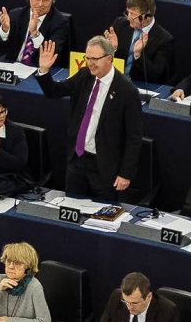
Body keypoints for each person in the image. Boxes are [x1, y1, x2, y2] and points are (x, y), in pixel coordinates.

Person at [35, 37, 143, 201]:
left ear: (109, 59)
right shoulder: (84, 75)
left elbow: (133, 137)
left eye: (95, 59)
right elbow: (54, 91)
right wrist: (44, 71)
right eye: (88, 58)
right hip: (77, 159)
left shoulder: (127, 91)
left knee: (102, 218)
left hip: (105, 166)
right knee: (72, 208)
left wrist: (125, 174)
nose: (90, 63)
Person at [0, 0, 69, 66]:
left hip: (38, 69)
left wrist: (35, 33)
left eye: (45, 0)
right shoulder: (16, 15)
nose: (40, 4)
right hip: (12, 66)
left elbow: (52, 54)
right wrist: (5, 30)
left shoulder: (60, 22)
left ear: (52, 0)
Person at [0, 242, 51, 322]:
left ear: (27, 267)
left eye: (17, 263)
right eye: (8, 261)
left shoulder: (34, 287)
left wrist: (9, 321)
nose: (11, 266)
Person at [103, 0, 174, 84]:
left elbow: (155, 74)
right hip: (115, 80)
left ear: (147, 17)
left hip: (141, 85)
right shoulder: (120, 24)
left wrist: (138, 55)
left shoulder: (164, 40)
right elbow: (106, 61)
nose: (128, 18)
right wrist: (112, 48)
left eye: (132, 14)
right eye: (128, 12)